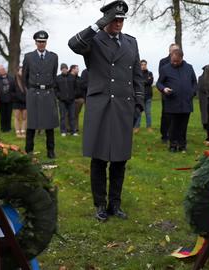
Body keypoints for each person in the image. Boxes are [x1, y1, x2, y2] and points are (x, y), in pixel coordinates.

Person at [68, 0, 144, 221]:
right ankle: (100, 204)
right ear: (106, 20)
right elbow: (73, 44)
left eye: (121, 20)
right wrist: (97, 25)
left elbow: (137, 75)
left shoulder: (131, 43)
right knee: (100, 158)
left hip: (123, 106)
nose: (119, 23)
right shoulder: (94, 40)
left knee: (120, 158)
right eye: (115, 19)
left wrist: (138, 103)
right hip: (101, 105)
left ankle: (115, 204)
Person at [23, 30, 59, 159]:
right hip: (34, 92)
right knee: (32, 123)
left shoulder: (53, 57)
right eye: (39, 42)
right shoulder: (28, 57)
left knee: (49, 124)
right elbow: (24, 77)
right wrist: (31, 90)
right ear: (35, 42)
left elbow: (54, 75)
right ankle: (28, 150)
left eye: (43, 42)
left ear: (46, 42)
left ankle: (51, 150)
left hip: (48, 92)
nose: (41, 44)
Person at [156, 49, 197, 152]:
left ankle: (182, 145)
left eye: (176, 61)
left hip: (186, 102)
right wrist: (164, 89)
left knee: (183, 126)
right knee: (173, 126)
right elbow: (159, 83)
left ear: (181, 58)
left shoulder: (189, 68)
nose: (174, 63)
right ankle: (173, 145)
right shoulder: (165, 69)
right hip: (172, 102)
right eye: (172, 60)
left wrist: (192, 93)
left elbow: (194, 82)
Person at [159, 43, 180, 143]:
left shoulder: (181, 62)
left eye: (177, 50)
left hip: (178, 94)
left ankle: (175, 134)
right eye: (173, 50)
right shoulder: (163, 62)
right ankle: (164, 134)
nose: (175, 52)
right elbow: (162, 78)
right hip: (166, 92)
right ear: (169, 51)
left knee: (177, 116)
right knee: (166, 115)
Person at [56, 63, 78, 136]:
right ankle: (63, 131)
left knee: (72, 116)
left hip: (71, 100)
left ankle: (73, 131)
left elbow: (76, 87)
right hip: (62, 100)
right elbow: (55, 89)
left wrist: (73, 95)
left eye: (65, 68)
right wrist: (59, 96)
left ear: (67, 69)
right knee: (63, 116)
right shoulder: (58, 78)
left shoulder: (72, 77)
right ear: (61, 70)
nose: (64, 70)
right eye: (63, 69)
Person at [133, 59, 154, 133]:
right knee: (138, 112)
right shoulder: (137, 73)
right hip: (139, 97)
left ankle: (149, 127)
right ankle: (136, 127)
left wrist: (142, 81)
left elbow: (150, 82)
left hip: (148, 96)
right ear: (140, 65)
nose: (143, 66)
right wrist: (145, 81)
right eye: (142, 65)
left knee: (148, 112)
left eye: (145, 65)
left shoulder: (150, 73)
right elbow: (137, 82)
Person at [0, 65, 15, 132]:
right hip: (1, 99)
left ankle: (8, 128)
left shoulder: (11, 78)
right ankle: (3, 128)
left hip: (10, 99)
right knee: (2, 114)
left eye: (3, 69)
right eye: (0, 70)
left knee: (9, 114)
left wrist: (12, 96)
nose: (2, 71)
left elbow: (14, 88)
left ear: (5, 70)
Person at [12, 66, 27, 138]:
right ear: (18, 72)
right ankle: (17, 131)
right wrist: (17, 97)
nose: (22, 72)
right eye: (21, 71)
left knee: (25, 117)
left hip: (25, 102)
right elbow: (12, 92)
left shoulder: (26, 80)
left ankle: (23, 131)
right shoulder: (14, 80)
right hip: (16, 102)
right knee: (17, 117)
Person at [72, 65, 85, 134]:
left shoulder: (79, 79)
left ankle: (76, 128)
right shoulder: (69, 78)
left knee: (76, 114)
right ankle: (68, 128)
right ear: (72, 69)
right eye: (77, 69)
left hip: (79, 99)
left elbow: (82, 87)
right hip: (70, 99)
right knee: (69, 114)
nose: (78, 70)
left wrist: (82, 97)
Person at [197, 65, 208, 130]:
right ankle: (205, 125)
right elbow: (202, 87)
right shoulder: (201, 78)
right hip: (203, 97)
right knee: (204, 112)